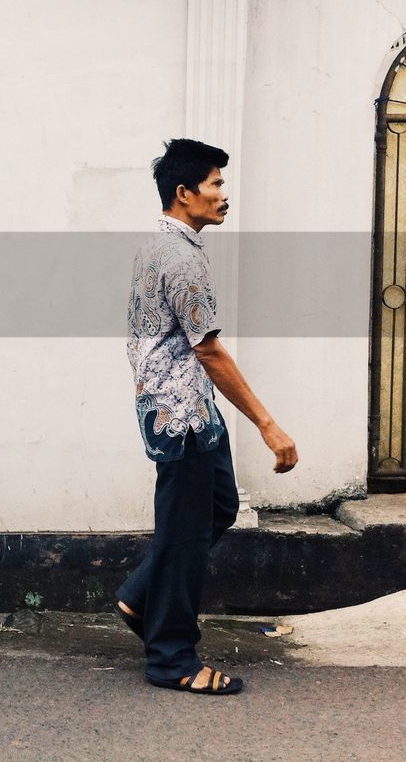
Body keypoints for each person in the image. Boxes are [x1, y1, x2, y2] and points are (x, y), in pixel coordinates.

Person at [117, 139, 298, 695]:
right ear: (184, 193)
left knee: (217, 506)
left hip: (192, 408)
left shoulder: (171, 246)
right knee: (185, 535)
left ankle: (141, 595)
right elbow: (209, 350)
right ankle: (172, 658)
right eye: (215, 184)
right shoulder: (180, 258)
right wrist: (268, 424)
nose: (224, 194)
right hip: (181, 415)